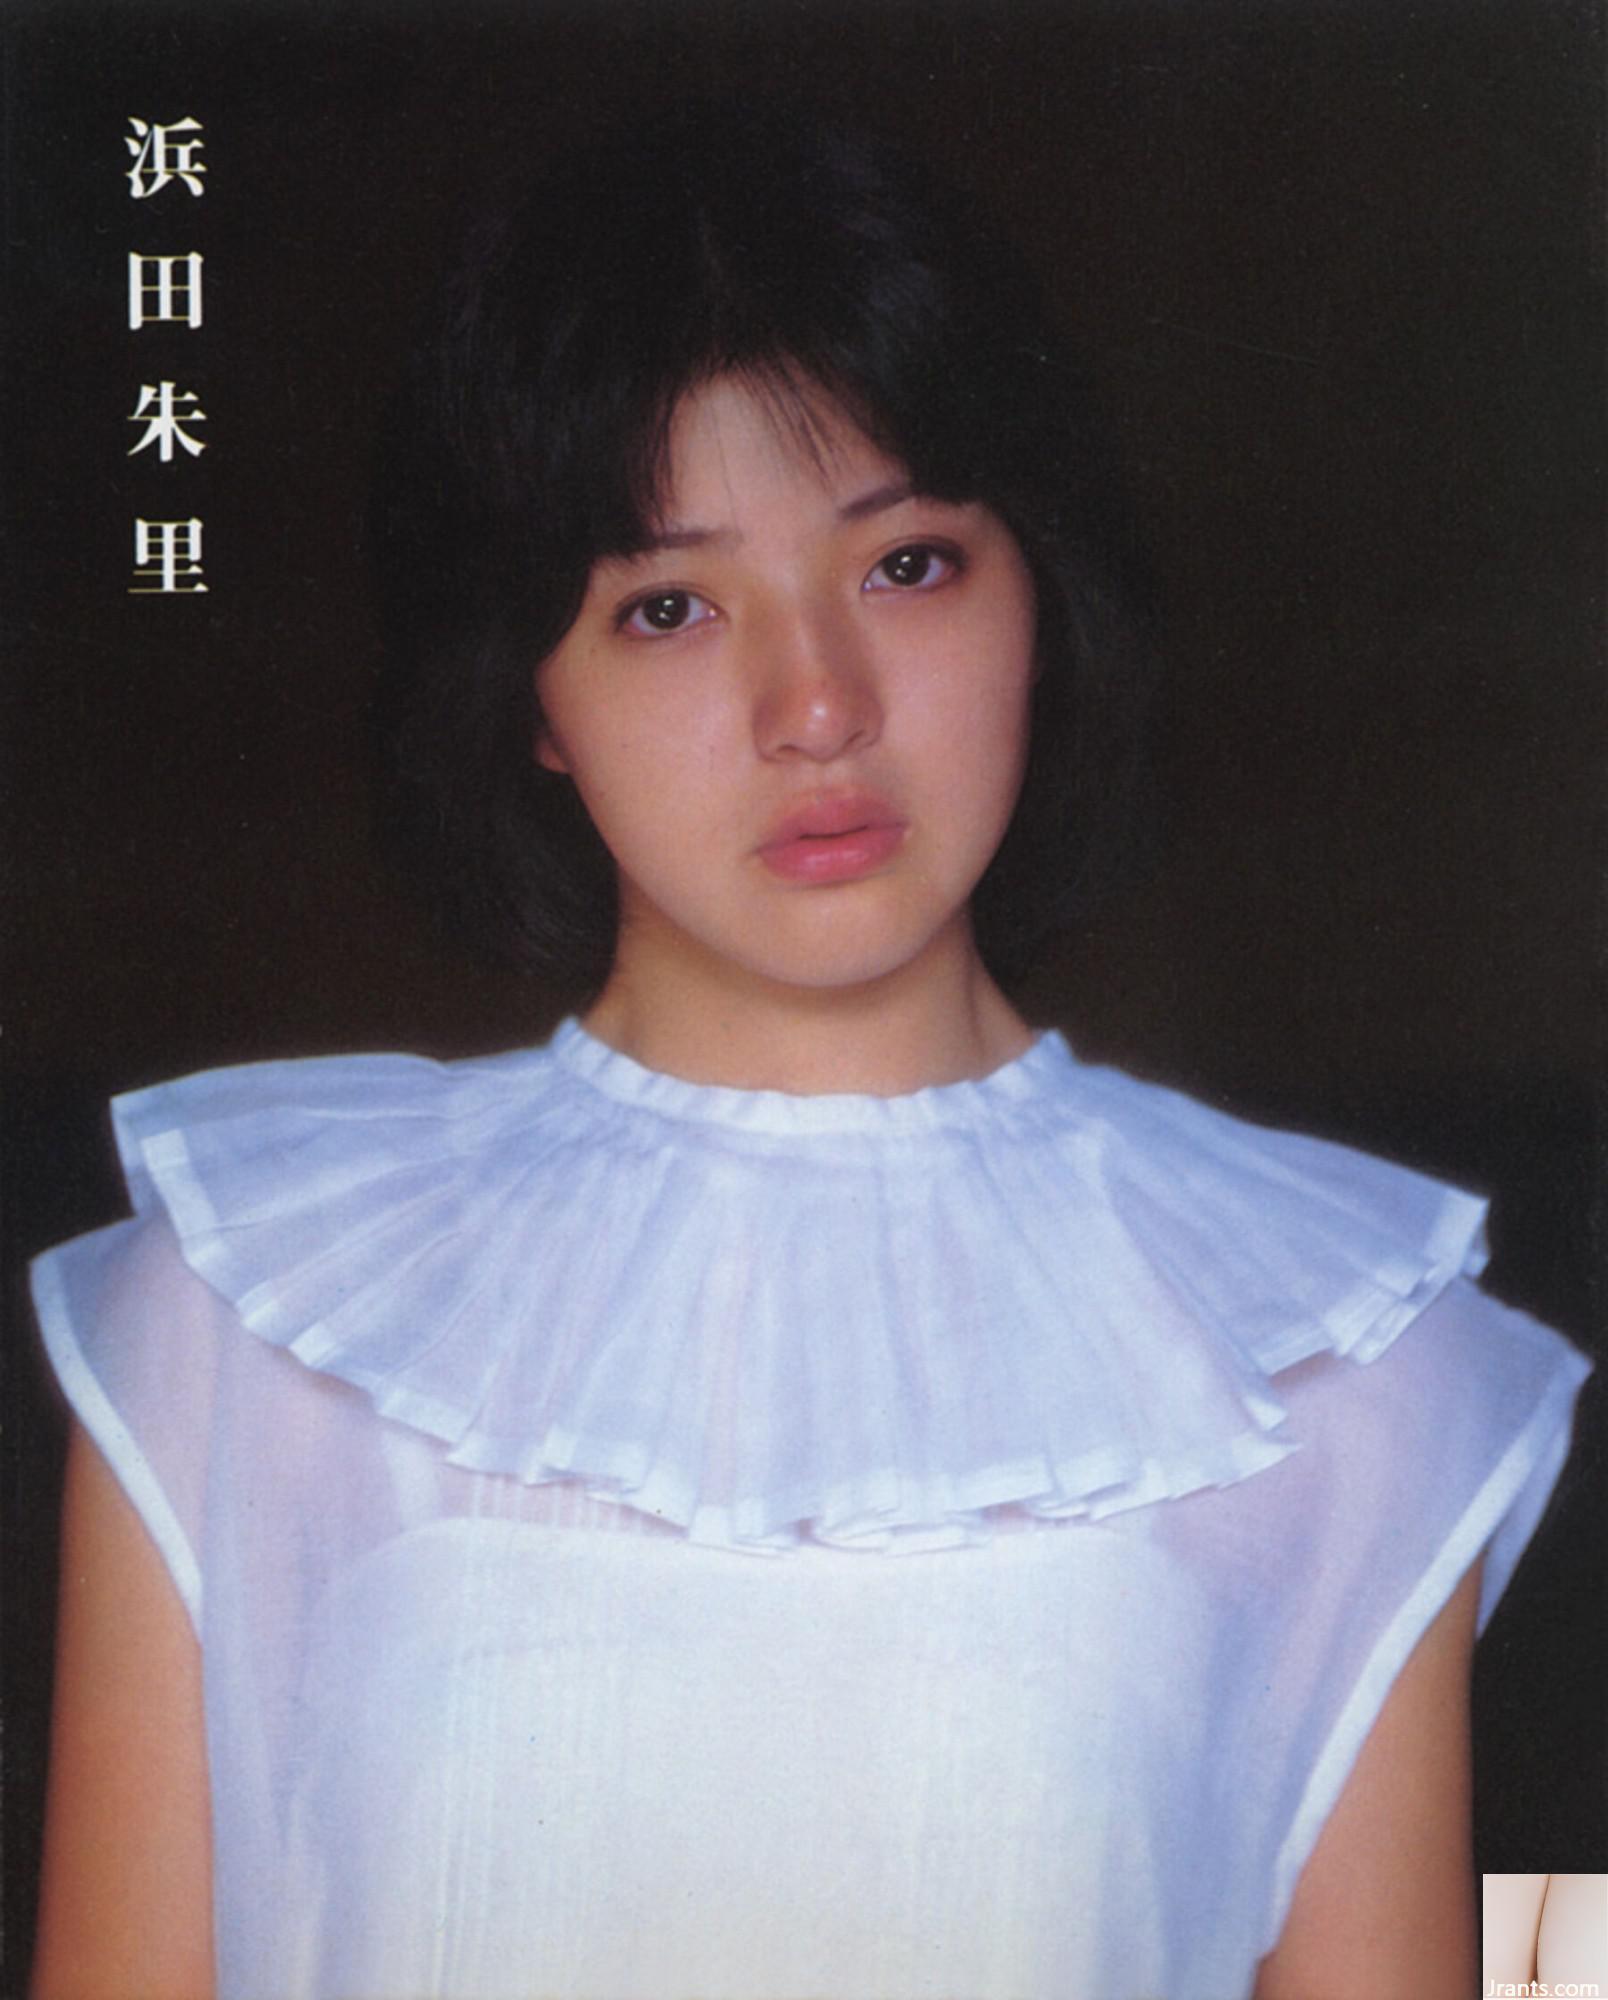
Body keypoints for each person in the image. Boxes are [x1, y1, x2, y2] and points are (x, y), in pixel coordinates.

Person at [29, 105, 1589, 2000]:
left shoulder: (1346, 1361)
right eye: (670, 607)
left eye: (908, 565)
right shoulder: (239, 1317)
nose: (819, 706)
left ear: (1040, 594)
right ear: (530, 696)